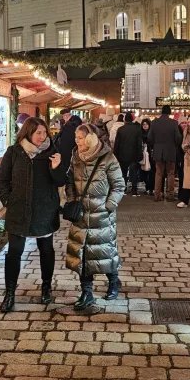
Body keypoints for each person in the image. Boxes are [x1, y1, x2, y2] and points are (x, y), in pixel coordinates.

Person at [0, 117, 66, 312]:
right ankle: (9, 293)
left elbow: (61, 181)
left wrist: (56, 167)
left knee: (46, 250)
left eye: (45, 133)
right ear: (28, 133)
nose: (42, 137)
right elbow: (3, 179)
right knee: (14, 252)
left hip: (44, 210)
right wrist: (7, 200)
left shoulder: (52, 153)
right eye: (38, 133)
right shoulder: (14, 152)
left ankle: (46, 288)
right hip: (18, 209)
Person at [65, 123, 125, 309]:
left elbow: (119, 185)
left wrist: (108, 206)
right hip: (81, 216)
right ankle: (87, 292)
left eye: (80, 137)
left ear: (91, 138)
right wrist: (72, 199)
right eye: (76, 137)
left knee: (105, 252)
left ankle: (113, 282)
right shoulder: (75, 157)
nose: (77, 141)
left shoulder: (107, 158)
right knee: (82, 255)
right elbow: (69, 181)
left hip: (102, 215)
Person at [147, 105, 182, 202]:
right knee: (170, 173)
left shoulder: (154, 123)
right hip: (170, 151)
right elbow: (178, 138)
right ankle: (170, 195)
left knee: (158, 174)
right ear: (169, 112)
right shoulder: (174, 123)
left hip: (158, 151)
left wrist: (155, 144)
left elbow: (149, 138)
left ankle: (157, 195)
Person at [113, 112, 144, 195]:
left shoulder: (120, 129)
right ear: (132, 119)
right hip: (134, 155)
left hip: (122, 154)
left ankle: (123, 189)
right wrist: (140, 154)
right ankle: (134, 189)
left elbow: (117, 144)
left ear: (125, 119)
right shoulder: (137, 129)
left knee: (123, 172)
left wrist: (115, 154)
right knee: (133, 172)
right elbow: (139, 143)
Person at [140, 118, 155, 196]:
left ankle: (151, 188)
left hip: (151, 155)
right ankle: (147, 186)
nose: (145, 126)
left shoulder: (152, 133)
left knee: (151, 172)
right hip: (142, 155)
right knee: (143, 172)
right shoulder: (140, 134)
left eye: (146, 124)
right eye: (143, 124)